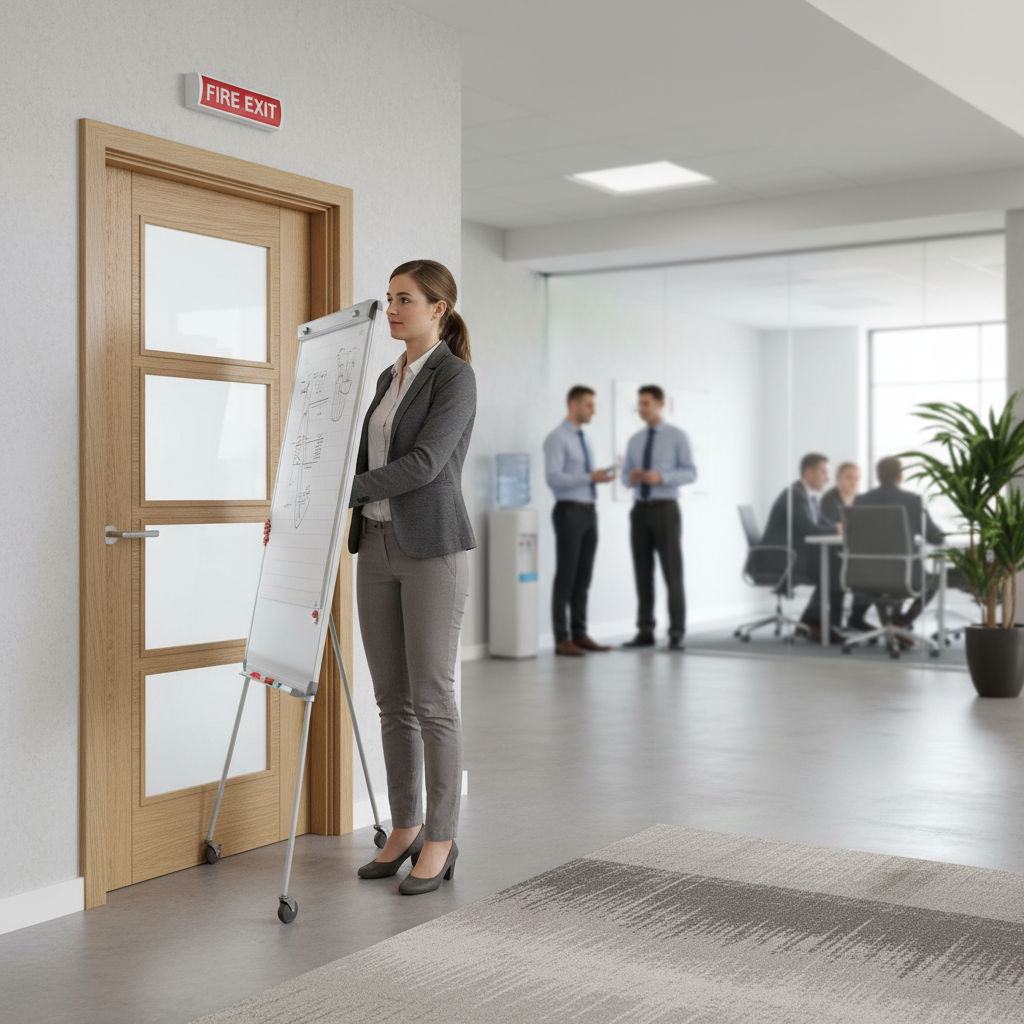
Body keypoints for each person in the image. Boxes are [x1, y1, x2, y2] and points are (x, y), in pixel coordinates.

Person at [347, 259, 475, 895]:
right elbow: (369, 451)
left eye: (405, 299)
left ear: (438, 310)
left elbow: (425, 464)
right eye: (389, 298)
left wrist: (343, 488)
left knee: (432, 699)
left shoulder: (455, 377)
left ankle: (442, 837)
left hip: (431, 550)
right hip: (373, 546)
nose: (392, 309)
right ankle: (404, 826)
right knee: (391, 700)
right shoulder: (386, 375)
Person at [620, 385, 696, 651]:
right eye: (639, 404)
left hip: (666, 509)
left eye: (646, 404)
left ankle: (676, 633)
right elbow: (624, 476)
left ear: (660, 404)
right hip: (640, 510)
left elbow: (690, 473)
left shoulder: (677, 437)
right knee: (642, 574)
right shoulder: (635, 440)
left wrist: (662, 477)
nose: (641, 409)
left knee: (672, 573)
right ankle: (645, 631)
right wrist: (630, 477)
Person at [543, 386, 615, 656]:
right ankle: (562, 639)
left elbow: (583, 475)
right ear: (573, 405)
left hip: (588, 512)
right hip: (569, 511)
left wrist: (598, 477)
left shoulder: (583, 438)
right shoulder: (557, 438)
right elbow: (553, 478)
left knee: (583, 576)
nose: (593, 411)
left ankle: (580, 633)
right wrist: (589, 477)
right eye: (589, 405)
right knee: (566, 576)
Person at [852, 456, 944, 627]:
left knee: (873, 564)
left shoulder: (860, 501)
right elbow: (936, 538)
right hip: (904, 577)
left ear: (878, 477)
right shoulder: (913, 501)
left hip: (864, 577)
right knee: (935, 580)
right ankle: (903, 620)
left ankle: (856, 617)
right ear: (900, 477)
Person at [761, 453, 842, 642]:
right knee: (836, 568)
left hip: (795, 555)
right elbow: (809, 529)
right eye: (824, 472)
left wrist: (839, 527)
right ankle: (815, 625)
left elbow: (824, 524)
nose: (828, 478)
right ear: (809, 473)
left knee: (838, 564)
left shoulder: (809, 498)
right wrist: (837, 529)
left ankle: (823, 624)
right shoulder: (794, 496)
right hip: (781, 559)